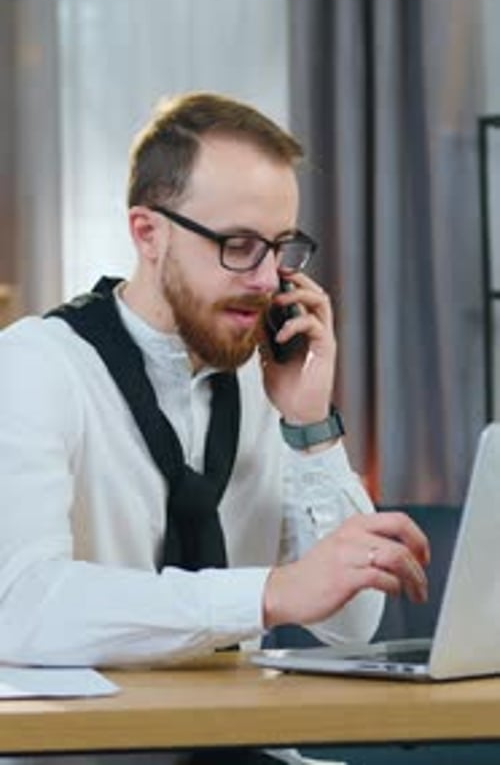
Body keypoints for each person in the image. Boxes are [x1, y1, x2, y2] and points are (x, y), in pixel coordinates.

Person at [0, 92, 429, 764]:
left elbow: (352, 628)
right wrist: (267, 593)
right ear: (148, 233)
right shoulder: (33, 366)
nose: (264, 280)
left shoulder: (268, 379)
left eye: (282, 248)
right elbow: (20, 607)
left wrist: (312, 424)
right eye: (238, 246)